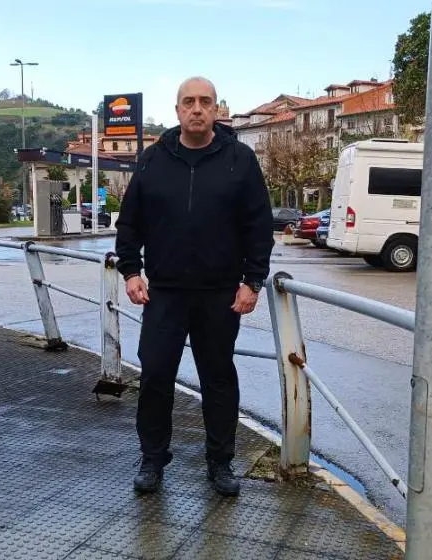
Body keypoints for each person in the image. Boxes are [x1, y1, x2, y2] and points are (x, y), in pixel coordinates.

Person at [115, 77, 274, 496]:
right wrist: (131, 272)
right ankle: (152, 459)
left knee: (218, 380)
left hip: (220, 294)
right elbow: (129, 224)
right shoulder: (152, 160)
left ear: (217, 110)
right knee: (155, 377)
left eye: (205, 102)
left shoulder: (240, 160)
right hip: (163, 293)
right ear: (178, 111)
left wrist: (253, 281)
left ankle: (220, 462)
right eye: (189, 102)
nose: (197, 109)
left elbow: (258, 226)